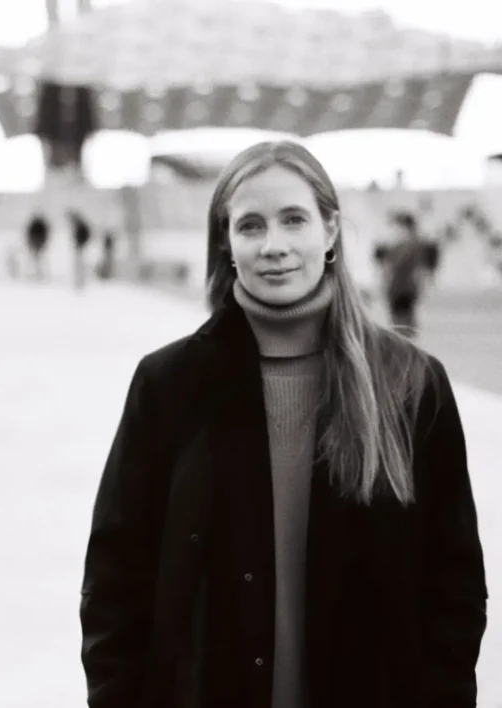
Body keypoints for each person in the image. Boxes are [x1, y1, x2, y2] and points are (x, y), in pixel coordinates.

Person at [81, 141, 486, 708]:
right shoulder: (169, 384)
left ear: (331, 230)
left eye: (293, 219)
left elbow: (455, 590)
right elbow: (115, 582)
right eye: (251, 226)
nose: (274, 246)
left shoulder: (409, 384)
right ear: (226, 243)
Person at [373, 211, 440, 338]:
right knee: (402, 321)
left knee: (402, 322)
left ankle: (404, 345)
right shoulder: (410, 243)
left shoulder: (410, 244)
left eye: (398, 226)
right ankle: (404, 345)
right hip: (401, 286)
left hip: (403, 286)